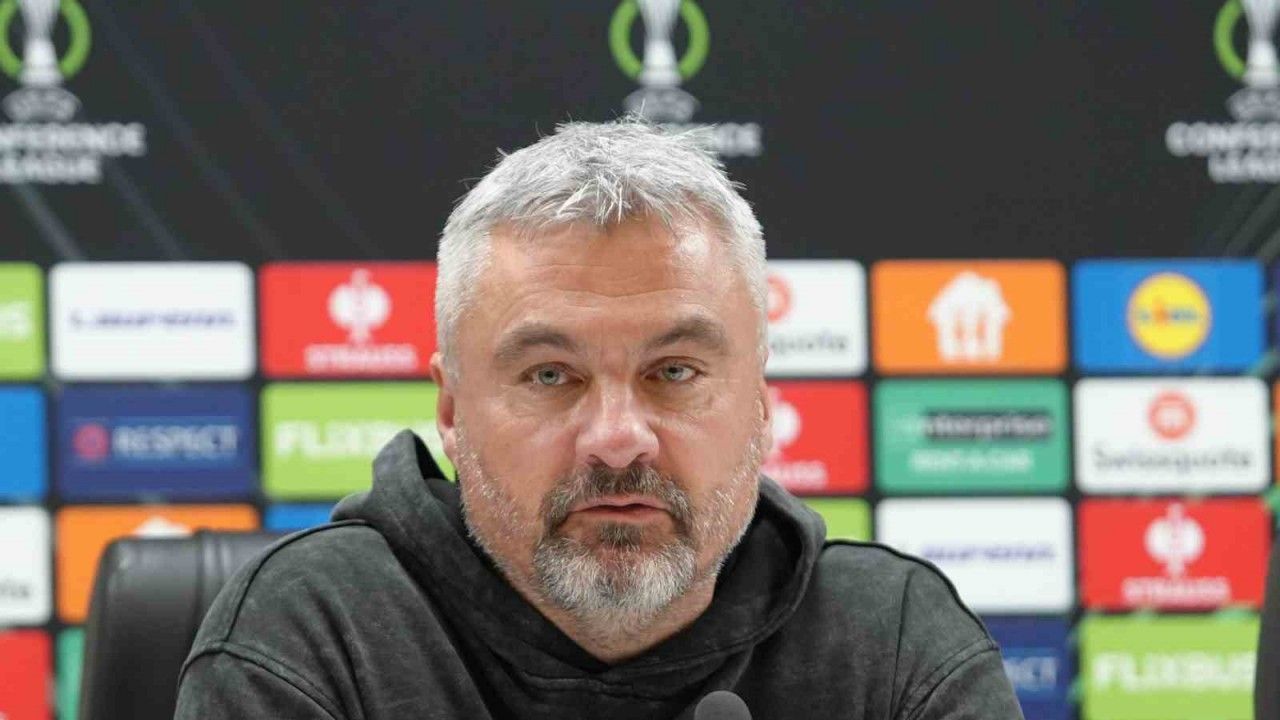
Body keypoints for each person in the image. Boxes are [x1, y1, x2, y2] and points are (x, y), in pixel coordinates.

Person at [174, 119, 1023, 719]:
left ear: (761, 406)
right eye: (551, 376)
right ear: (452, 411)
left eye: (674, 372)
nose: (618, 439)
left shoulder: (893, 647)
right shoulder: (314, 636)